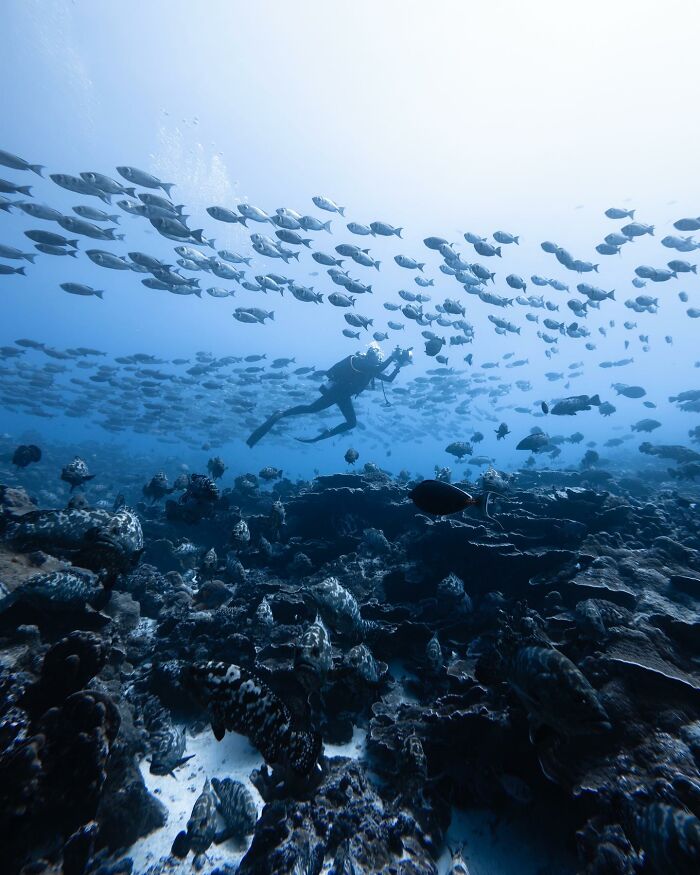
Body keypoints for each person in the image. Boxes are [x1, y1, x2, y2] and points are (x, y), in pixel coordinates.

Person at [246, 343, 411, 447]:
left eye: (379, 358)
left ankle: (327, 433)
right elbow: (378, 369)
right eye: (377, 357)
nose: (378, 360)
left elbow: (388, 379)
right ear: (371, 355)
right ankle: (281, 413)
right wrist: (392, 357)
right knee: (312, 409)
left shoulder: (371, 368)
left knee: (351, 423)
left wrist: (398, 366)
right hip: (337, 391)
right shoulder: (361, 362)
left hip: (344, 396)